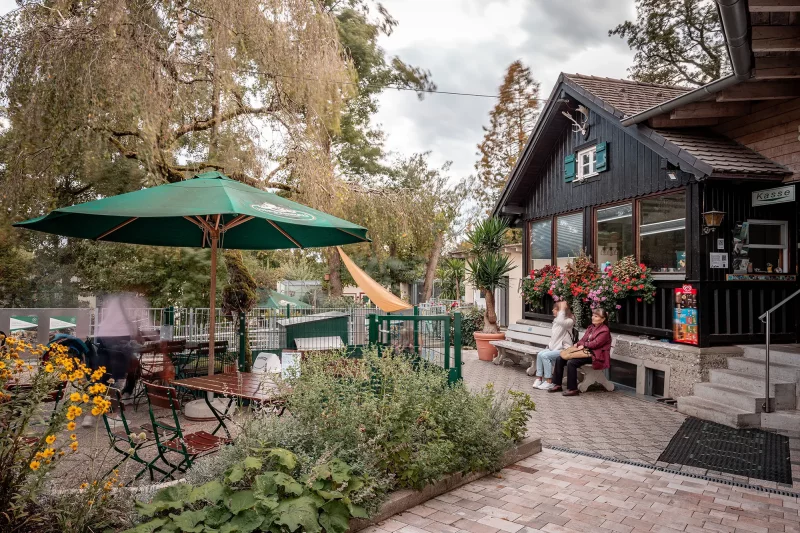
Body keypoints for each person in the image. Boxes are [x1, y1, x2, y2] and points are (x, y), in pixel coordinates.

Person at [549, 307, 612, 396]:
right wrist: (578, 344)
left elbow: (595, 344)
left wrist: (584, 345)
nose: (593, 317)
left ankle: (572, 389)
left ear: (603, 319)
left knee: (571, 362)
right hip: (585, 352)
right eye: (593, 315)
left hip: (596, 356)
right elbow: (583, 339)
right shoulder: (591, 327)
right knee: (560, 358)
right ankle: (557, 384)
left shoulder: (605, 330)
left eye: (596, 316)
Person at [532, 301, 574, 391]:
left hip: (565, 349)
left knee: (545, 356)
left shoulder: (569, 321)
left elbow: (561, 321)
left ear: (560, 311)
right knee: (540, 354)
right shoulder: (556, 321)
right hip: (555, 348)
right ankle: (539, 378)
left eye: (555, 309)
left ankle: (549, 381)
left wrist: (562, 308)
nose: (552, 310)